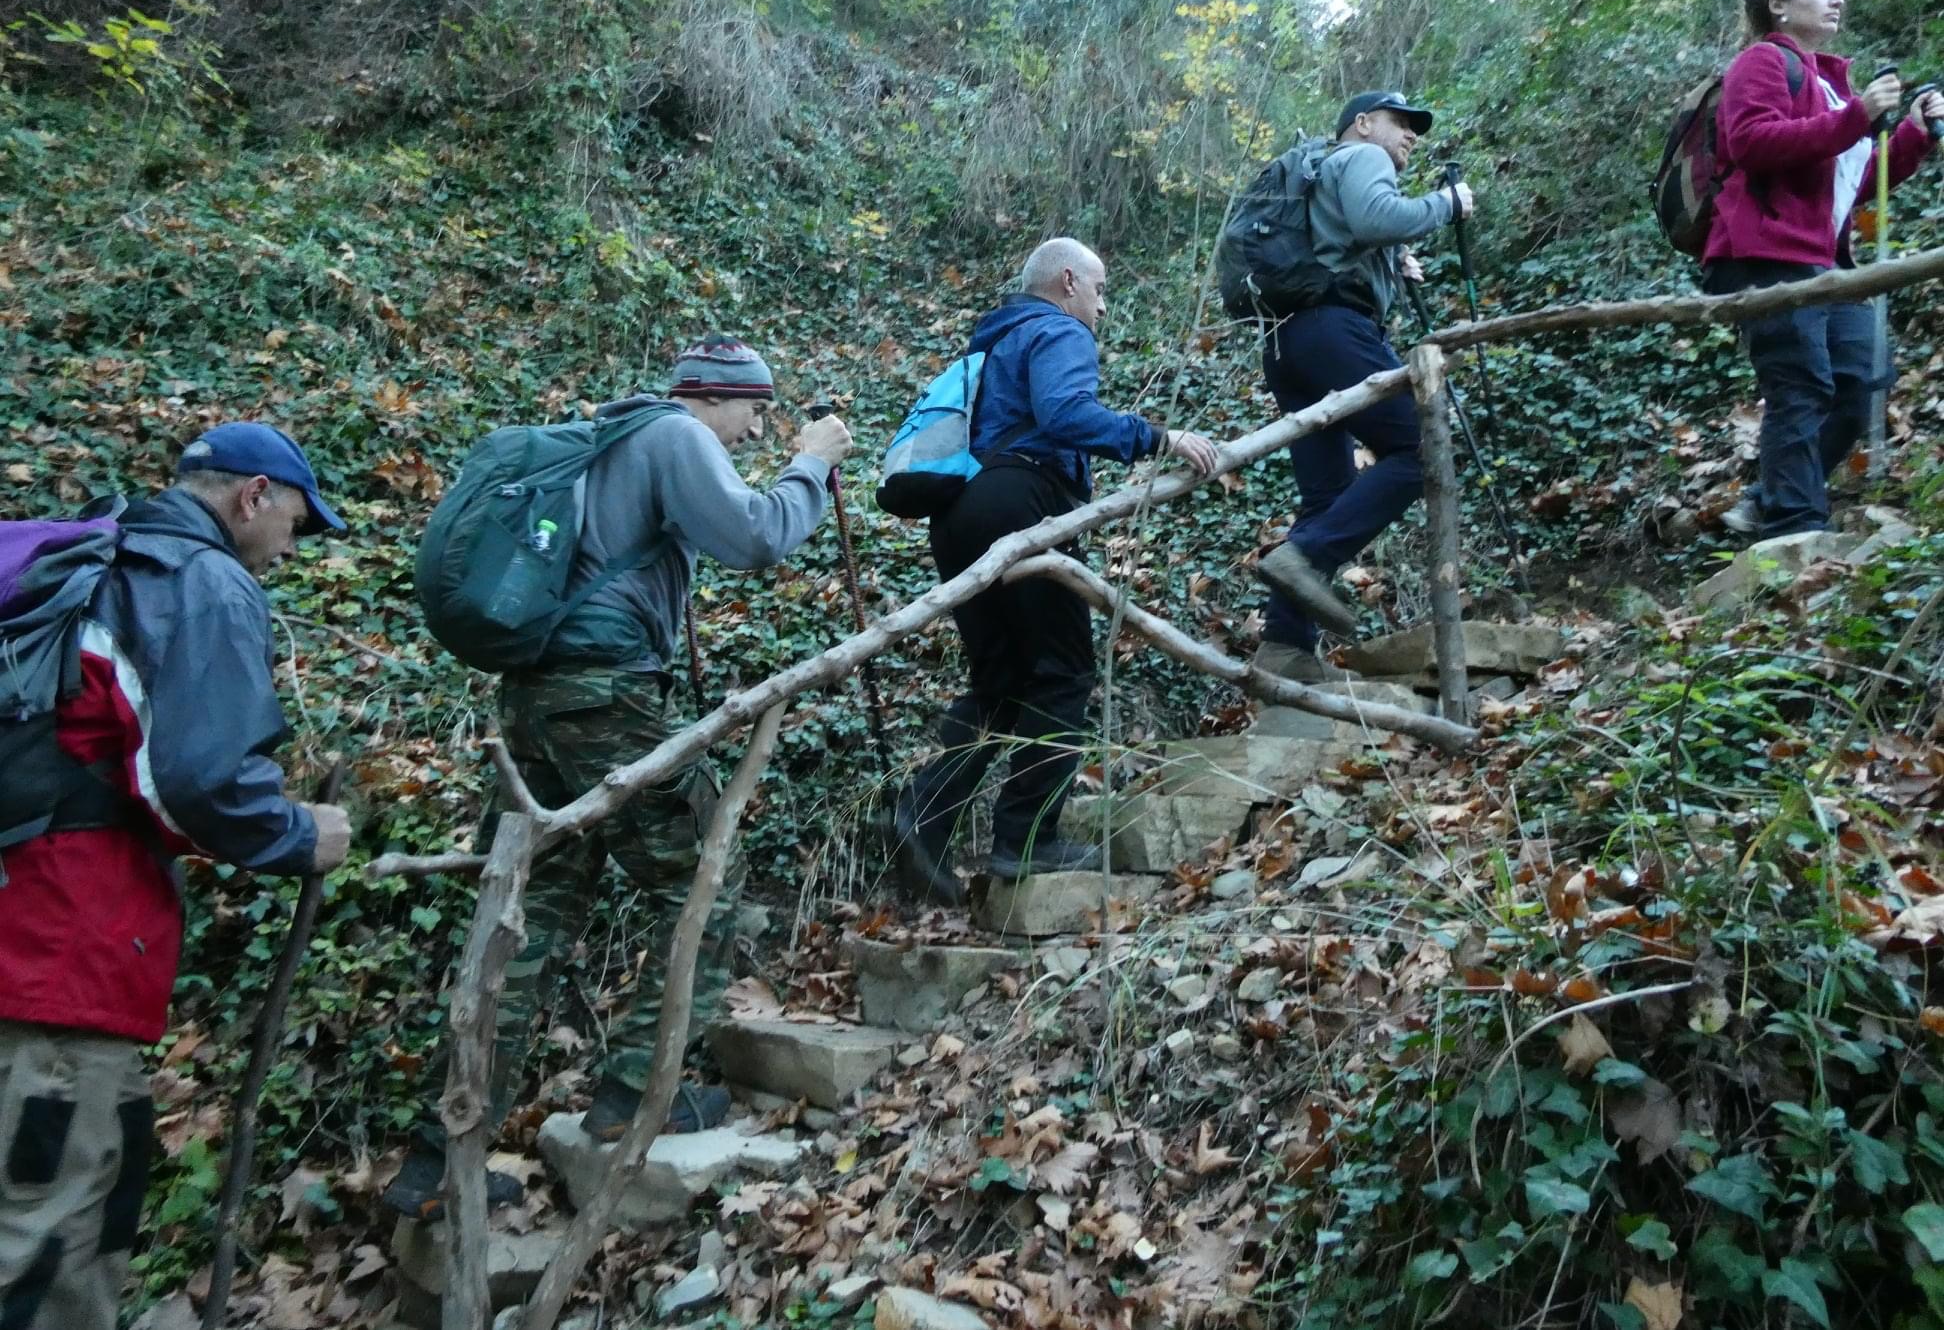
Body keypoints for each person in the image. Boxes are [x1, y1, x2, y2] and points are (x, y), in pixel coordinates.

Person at [384, 337, 853, 1220]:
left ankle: (438, 1153)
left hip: (533, 703)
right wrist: (810, 465)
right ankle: (637, 1093)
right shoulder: (676, 437)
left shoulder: (609, 437)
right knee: (706, 875)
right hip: (603, 699)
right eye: (754, 410)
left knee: (530, 915)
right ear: (713, 398)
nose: (757, 429)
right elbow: (757, 537)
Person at [0, 423, 353, 1330]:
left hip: (24, 929)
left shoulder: (92, 558)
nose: (290, 549)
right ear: (254, 497)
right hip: (63, 958)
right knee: (50, 1236)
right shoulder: (199, 582)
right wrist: (295, 833)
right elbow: (202, 779)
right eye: (297, 525)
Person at [891, 238, 1220, 906]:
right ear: (1069, 282)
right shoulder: (1057, 329)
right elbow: (1067, 416)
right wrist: (1160, 439)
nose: (1101, 307)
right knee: (1062, 671)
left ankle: (922, 819)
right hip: (1023, 505)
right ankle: (1028, 839)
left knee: (1003, 681)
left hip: (958, 514)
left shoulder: (992, 341)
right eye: (1099, 291)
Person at [1704, 0, 1940, 541]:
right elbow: (1753, 142)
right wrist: (1857, 116)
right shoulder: (1760, 63)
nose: (1837, 0)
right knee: (1801, 384)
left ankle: (1770, 497)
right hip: (1768, 253)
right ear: (1780, 5)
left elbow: (1851, 183)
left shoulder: (1831, 86)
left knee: (1858, 385)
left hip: (1826, 259)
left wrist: (1911, 132)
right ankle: (1794, 528)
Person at [1252, 91, 1475, 681]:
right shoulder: (1363, 157)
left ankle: (1284, 650)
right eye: (1401, 123)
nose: (1411, 136)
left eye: (1415, 129)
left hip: (1286, 342)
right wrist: (1447, 204)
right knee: (1422, 447)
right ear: (1363, 122)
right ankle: (1305, 557)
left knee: (1325, 496)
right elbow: (1377, 216)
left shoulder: (1317, 169)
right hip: (1333, 331)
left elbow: (1352, 235)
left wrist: (1387, 262)